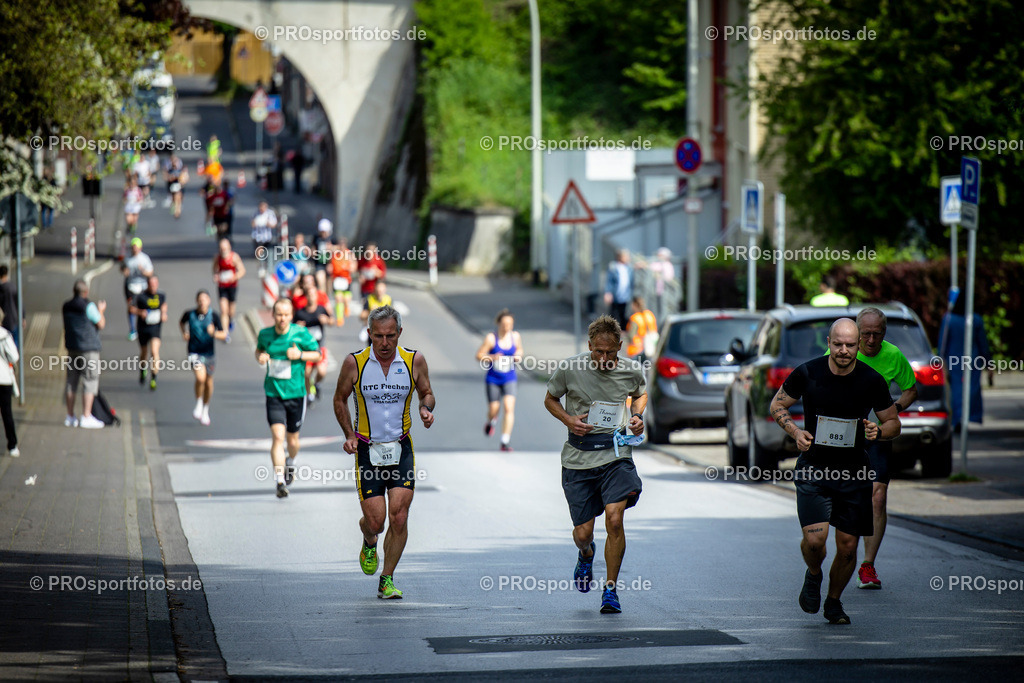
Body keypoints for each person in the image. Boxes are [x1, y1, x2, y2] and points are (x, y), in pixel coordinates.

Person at [769, 318, 901, 625]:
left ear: (859, 346)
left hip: (854, 473)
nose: (844, 350)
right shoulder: (808, 372)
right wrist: (795, 432)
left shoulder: (871, 380)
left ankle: (833, 601)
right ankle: (814, 573)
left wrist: (879, 432)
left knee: (847, 547)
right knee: (815, 541)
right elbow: (777, 405)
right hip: (814, 469)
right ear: (828, 343)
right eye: (838, 344)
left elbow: (893, 423)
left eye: (850, 345)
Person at [543, 315, 647, 614]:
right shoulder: (570, 368)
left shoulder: (630, 370)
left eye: (610, 352)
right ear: (589, 346)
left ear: (619, 347)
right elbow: (550, 399)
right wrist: (569, 420)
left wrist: (637, 417)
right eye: (598, 351)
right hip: (579, 458)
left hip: (616, 454)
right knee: (582, 534)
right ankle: (586, 553)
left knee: (614, 519)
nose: (604, 358)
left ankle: (610, 590)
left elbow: (640, 394)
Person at [333, 304, 435, 599]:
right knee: (376, 522)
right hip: (368, 449)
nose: (385, 343)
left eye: (391, 335)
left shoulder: (414, 360)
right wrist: (349, 435)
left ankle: (387, 578)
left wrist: (425, 408)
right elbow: (339, 399)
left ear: (400, 332)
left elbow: (427, 392)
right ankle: (369, 538)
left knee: (399, 517)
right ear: (369, 333)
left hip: (401, 446)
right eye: (378, 336)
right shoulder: (355, 363)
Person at [844, 307, 918, 591]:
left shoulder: (893, 354)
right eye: (866, 334)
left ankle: (867, 565)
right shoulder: (843, 350)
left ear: (884, 333)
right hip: (845, 438)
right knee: (847, 496)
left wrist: (892, 410)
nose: (872, 340)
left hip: (877, 435)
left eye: (877, 334)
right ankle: (843, 553)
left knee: (877, 496)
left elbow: (911, 389)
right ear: (857, 332)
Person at [255, 298, 321, 498]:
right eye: (279, 315)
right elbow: (259, 349)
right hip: (274, 393)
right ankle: (280, 481)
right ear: (273, 315)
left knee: (292, 441)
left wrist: (300, 355)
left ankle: (290, 462)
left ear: (291, 316)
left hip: (296, 394)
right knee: (277, 437)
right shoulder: (265, 334)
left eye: (286, 315)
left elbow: (317, 354)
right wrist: (260, 356)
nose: (282, 319)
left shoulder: (300, 334)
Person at [939, 290, 991, 425]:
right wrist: (989, 364)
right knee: (971, 389)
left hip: (953, 362)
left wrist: (941, 362)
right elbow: (983, 344)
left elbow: (942, 344)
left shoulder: (949, 319)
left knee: (956, 390)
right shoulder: (976, 319)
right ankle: (969, 416)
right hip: (972, 361)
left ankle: (957, 419)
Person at [475, 309, 522, 452]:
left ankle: (504, 441)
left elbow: (520, 350)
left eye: (510, 324)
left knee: (509, 408)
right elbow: (479, 355)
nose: (507, 327)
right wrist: (492, 357)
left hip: (509, 377)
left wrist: (518, 356)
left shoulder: (515, 336)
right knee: (494, 410)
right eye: (504, 324)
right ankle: (491, 421)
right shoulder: (491, 338)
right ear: (499, 324)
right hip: (493, 378)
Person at [62, 279, 107, 429]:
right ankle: (86, 416)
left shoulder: (66, 306)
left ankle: (70, 416)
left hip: (72, 348)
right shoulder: (89, 306)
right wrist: (101, 310)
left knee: (71, 382)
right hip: (89, 349)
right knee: (90, 380)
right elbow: (101, 323)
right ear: (86, 292)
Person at [180, 290, 226, 425]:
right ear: (196, 301)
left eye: (204, 299)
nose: (202, 302)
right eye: (200, 299)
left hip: (209, 354)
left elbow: (224, 334)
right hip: (194, 352)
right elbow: (181, 322)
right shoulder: (190, 314)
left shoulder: (214, 316)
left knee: (209, 382)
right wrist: (185, 332)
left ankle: (205, 409)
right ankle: (199, 402)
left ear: (209, 301)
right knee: (201, 378)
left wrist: (214, 333)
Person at [129, 275, 168, 391]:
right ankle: (143, 370)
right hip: (143, 327)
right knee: (144, 352)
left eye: (155, 284)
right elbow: (131, 308)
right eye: (151, 284)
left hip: (155, 327)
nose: (153, 286)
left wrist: (164, 313)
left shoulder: (161, 295)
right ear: (148, 284)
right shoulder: (141, 296)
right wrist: (140, 312)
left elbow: (164, 305)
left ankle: (154, 378)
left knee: (155, 352)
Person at [293, 285, 331, 402]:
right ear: (306, 297)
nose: (312, 297)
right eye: (309, 295)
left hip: (319, 347)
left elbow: (332, 320)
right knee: (307, 373)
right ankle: (309, 394)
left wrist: (326, 320)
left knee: (322, 371)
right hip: (306, 349)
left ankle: (316, 384)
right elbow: (291, 329)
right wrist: (297, 327)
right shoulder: (300, 313)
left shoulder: (321, 309)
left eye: (314, 295)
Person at [212, 238, 246, 342]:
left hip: (232, 286)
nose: (223, 251)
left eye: (225, 249)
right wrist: (216, 276)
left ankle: (231, 320)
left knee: (231, 311)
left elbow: (242, 270)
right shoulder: (217, 258)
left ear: (229, 248)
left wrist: (235, 277)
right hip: (222, 286)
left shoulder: (234, 257)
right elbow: (214, 269)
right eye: (221, 249)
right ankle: (225, 333)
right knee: (224, 310)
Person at [121, 238, 154, 341]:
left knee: (146, 306)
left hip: (143, 287)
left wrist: (143, 271)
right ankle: (132, 330)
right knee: (131, 308)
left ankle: (146, 326)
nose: (134, 249)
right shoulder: (127, 259)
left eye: (136, 247)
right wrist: (124, 271)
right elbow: (122, 268)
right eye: (133, 247)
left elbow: (150, 273)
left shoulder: (144, 258)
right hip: (130, 287)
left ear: (140, 248)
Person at [0, 311, 20, 455]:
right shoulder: (4, 335)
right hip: (3, 378)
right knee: (7, 413)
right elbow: (14, 356)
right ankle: (12, 445)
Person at [328, 237, 357, 323]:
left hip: (346, 280)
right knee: (338, 298)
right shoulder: (335, 254)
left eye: (343, 245)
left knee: (346, 300)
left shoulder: (349, 254)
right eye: (340, 245)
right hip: (336, 279)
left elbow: (354, 266)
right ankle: (339, 318)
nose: (341, 247)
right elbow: (330, 264)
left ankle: (346, 307)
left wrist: (349, 268)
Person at [604, 249, 633, 330]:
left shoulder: (629, 267)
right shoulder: (614, 267)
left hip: (626, 295)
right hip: (616, 294)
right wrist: (608, 292)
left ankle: (623, 330)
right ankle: (612, 330)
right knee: (614, 313)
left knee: (624, 314)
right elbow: (609, 281)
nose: (628, 258)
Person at [624, 297, 658, 363]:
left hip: (636, 350)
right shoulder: (650, 315)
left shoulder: (635, 318)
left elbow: (631, 336)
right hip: (648, 349)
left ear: (634, 305)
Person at [251, 200, 278, 277]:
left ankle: (269, 268)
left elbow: (274, 224)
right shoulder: (256, 214)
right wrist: (257, 222)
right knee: (260, 253)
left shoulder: (270, 214)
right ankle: (261, 267)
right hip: (258, 237)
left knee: (268, 253)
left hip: (267, 237)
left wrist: (266, 223)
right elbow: (252, 224)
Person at [647, 247, 676, 318]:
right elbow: (650, 269)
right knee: (654, 310)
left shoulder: (668, 265)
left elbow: (669, 278)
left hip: (665, 292)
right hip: (654, 291)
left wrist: (660, 275)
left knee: (664, 310)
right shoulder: (656, 264)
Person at [0, 265, 20, 348]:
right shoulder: (13, 287)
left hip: (3, 320)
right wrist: (23, 316)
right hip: (14, 318)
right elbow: (19, 302)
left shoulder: (1, 288)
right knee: (15, 341)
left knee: (4, 342)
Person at [163, 154, 187, 219]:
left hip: (179, 186)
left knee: (179, 198)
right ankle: (176, 210)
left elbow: (184, 178)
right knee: (175, 198)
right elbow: (167, 177)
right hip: (173, 186)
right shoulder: (170, 170)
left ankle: (178, 211)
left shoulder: (180, 170)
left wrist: (180, 179)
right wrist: (171, 177)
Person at [313, 218, 333, 294]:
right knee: (321, 282)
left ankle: (326, 296)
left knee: (328, 285)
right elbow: (313, 249)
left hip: (328, 263)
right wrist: (313, 252)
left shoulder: (331, 239)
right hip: (319, 264)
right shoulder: (316, 238)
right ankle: (322, 296)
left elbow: (337, 250)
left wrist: (331, 248)